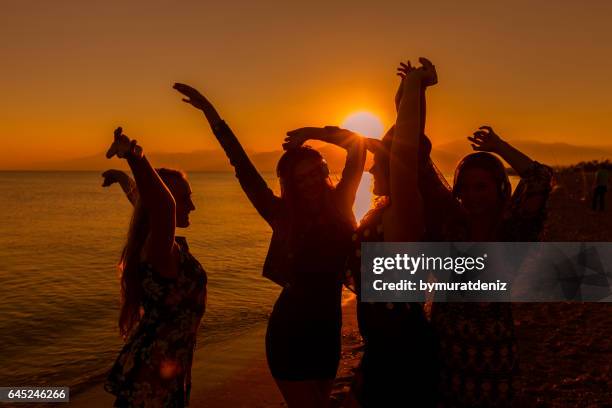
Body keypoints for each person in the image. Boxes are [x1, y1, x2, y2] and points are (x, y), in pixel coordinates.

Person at [173, 83, 366, 408]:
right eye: (299, 179)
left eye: (313, 174)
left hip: (328, 331)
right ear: (289, 184)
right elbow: (242, 166)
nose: (309, 184)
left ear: (323, 172)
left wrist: (313, 132)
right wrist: (212, 114)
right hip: (290, 330)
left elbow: (358, 148)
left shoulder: (342, 203)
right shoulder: (281, 214)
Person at [430, 126, 553, 407]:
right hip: (443, 351)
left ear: (499, 188)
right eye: (466, 188)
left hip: (492, 358)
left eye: (481, 186)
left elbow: (540, 177)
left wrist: (499, 147)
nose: (472, 196)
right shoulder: (451, 228)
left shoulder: (511, 231)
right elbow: (417, 168)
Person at [344, 58, 441, 407]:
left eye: (376, 160)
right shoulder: (386, 213)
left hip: (403, 353)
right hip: (384, 350)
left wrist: (415, 84)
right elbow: (403, 146)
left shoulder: (404, 215)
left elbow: (405, 148)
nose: (370, 167)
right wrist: (405, 95)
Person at [103, 128, 207, 408]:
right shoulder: (159, 250)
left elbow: (144, 202)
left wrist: (122, 177)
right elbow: (160, 206)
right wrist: (136, 158)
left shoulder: (159, 242)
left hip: (165, 368)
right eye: (183, 199)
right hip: (151, 378)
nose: (192, 206)